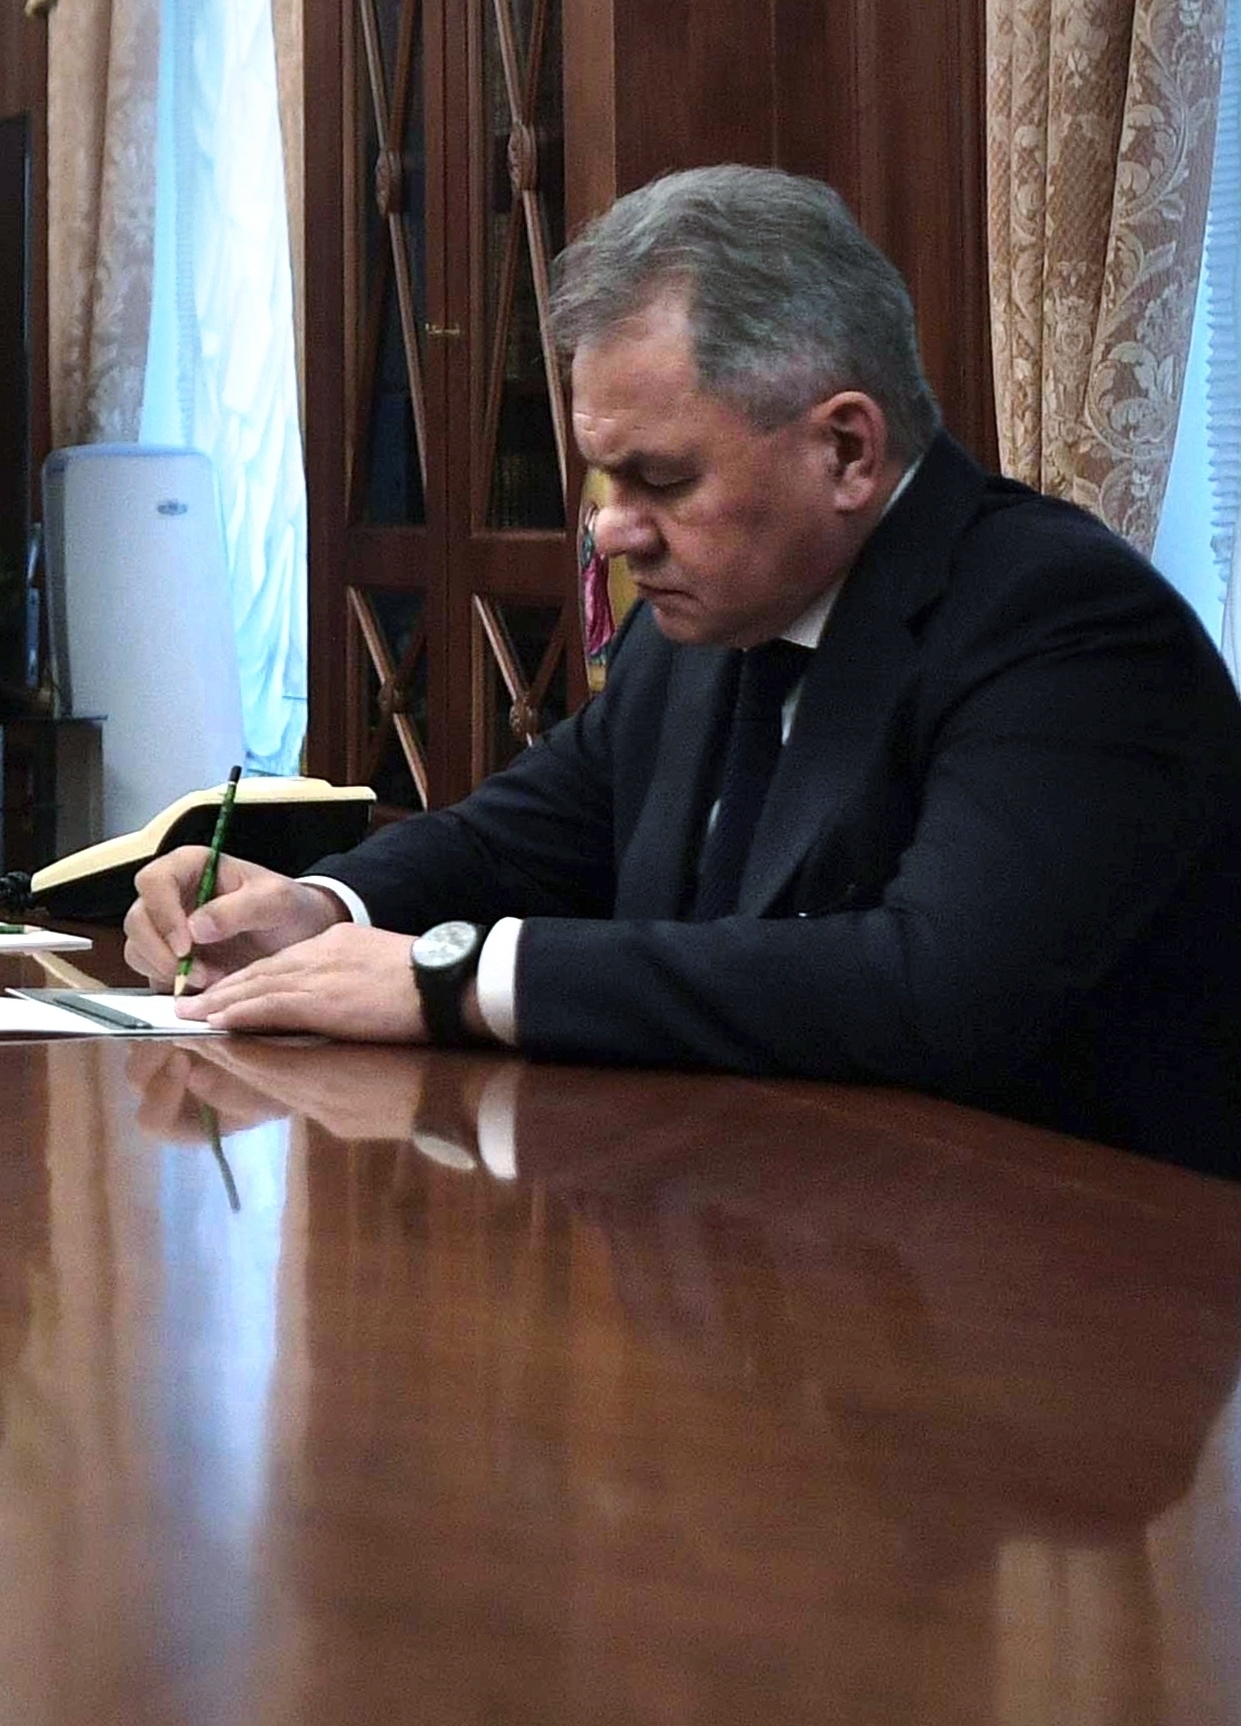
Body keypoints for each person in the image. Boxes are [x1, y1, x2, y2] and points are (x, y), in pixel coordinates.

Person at [126, 164, 1241, 1180]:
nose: (611, 532)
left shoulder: (1060, 625)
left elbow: (932, 990)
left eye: (657, 479)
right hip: (765, 1242)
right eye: (602, 480)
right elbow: (515, 837)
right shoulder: (698, 625)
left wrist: (452, 979)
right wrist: (313, 909)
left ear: (845, 449)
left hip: (1062, 1296)